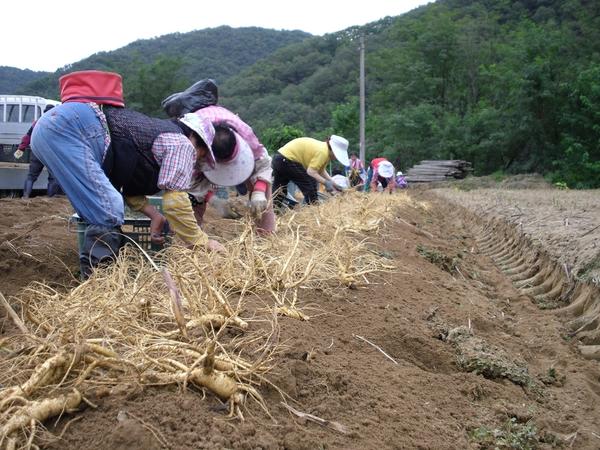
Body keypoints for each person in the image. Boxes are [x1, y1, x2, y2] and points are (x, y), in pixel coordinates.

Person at [31, 70, 222, 278]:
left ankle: (104, 275)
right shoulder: (182, 143)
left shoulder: (158, 136)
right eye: (202, 153)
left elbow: (131, 191)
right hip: (72, 127)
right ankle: (99, 285)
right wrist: (201, 241)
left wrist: (154, 215)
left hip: (49, 128)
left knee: (96, 208)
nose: (197, 159)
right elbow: (175, 202)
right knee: (108, 209)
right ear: (195, 139)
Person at [187, 105, 276, 234]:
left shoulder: (246, 134)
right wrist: (213, 200)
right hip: (200, 139)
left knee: (262, 199)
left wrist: (259, 191)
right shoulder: (192, 146)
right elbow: (192, 183)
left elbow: (263, 162)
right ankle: (192, 242)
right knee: (193, 202)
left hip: (221, 129)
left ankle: (266, 236)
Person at [271, 135, 350, 208]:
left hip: (280, 158)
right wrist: (326, 183)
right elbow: (311, 172)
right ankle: (313, 210)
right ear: (333, 150)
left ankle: (273, 211)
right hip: (287, 160)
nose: (336, 158)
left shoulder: (324, 150)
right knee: (310, 183)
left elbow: (321, 171)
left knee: (279, 189)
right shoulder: (323, 152)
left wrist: (334, 183)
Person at [14, 104, 62, 198]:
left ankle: (26, 196)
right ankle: (50, 198)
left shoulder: (38, 122)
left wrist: (21, 149)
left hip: (36, 151)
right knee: (53, 177)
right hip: (51, 153)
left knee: (31, 176)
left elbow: (28, 136)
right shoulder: (57, 123)